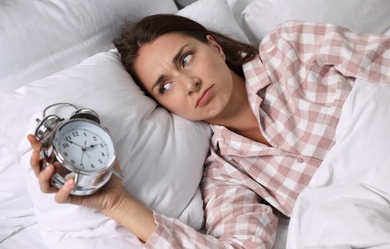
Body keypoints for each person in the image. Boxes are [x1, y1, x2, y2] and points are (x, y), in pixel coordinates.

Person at [28, 14, 390, 248]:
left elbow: (383, 60)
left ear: (214, 47)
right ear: (163, 106)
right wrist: (115, 202)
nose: (189, 83)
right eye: (165, 86)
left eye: (186, 59)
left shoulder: (289, 49)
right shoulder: (225, 174)